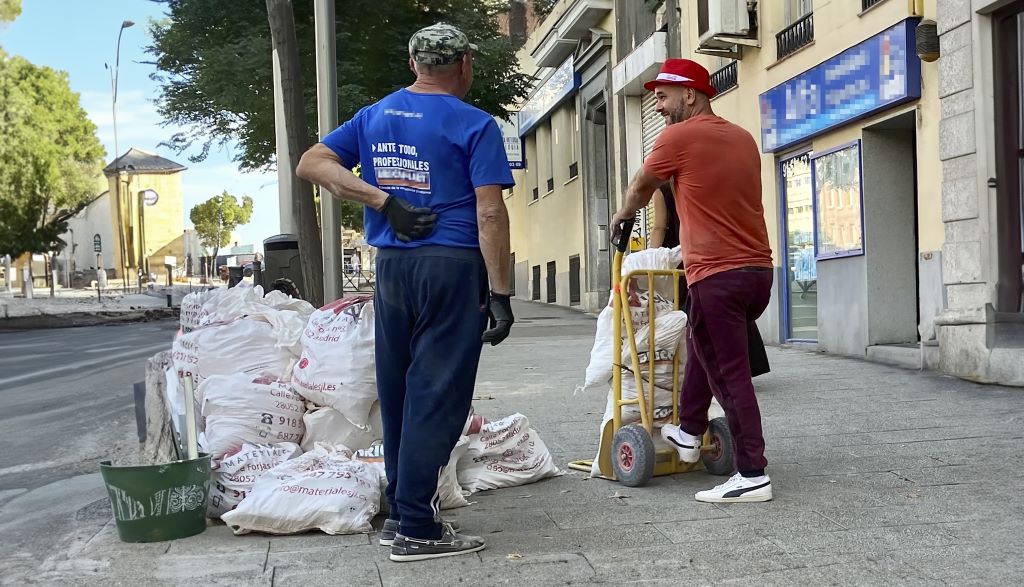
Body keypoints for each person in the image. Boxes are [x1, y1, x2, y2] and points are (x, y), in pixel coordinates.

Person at [296, 23, 515, 561]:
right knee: (437, 395)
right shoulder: (475, 123)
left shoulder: (376, 116)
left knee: (398, 391)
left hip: (392, 268)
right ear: (463, 65)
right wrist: (502, 292)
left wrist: (383, 202)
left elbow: (312, 163)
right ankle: (418, 526)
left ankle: (401, 510)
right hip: (451, 267)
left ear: (414, 65)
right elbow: (489, 211)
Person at [610, 59, 775, 503]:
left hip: (718, 273)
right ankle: (687, 430)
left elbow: (642, 186)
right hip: (758, 272)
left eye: (663, 96)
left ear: (691, 94)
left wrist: (623, 217)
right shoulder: (742, 138)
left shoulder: (679, 136)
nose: (659, 107)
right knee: (704, 344)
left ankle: (753, 472)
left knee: (731, 374)